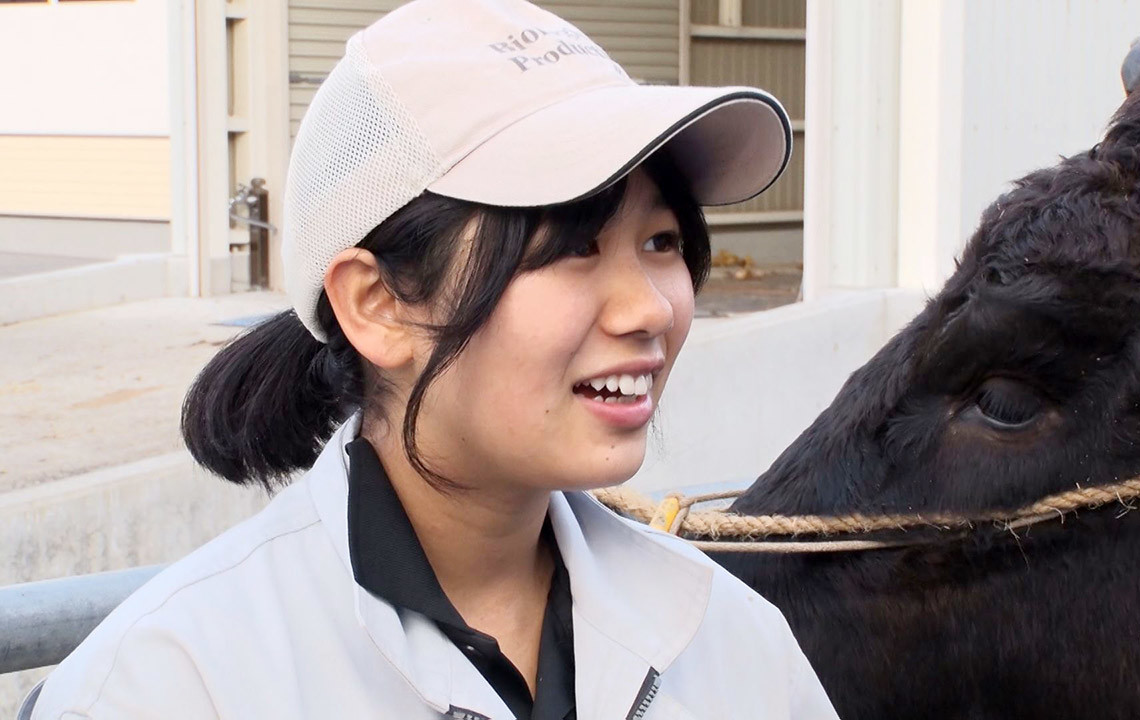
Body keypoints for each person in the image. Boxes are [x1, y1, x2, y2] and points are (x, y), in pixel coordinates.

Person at [30, 1, 838, 718]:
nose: (652, 309)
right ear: (377, 306)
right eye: (573, 248)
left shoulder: (735, 642)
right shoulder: (170, 684)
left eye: (660, 241)